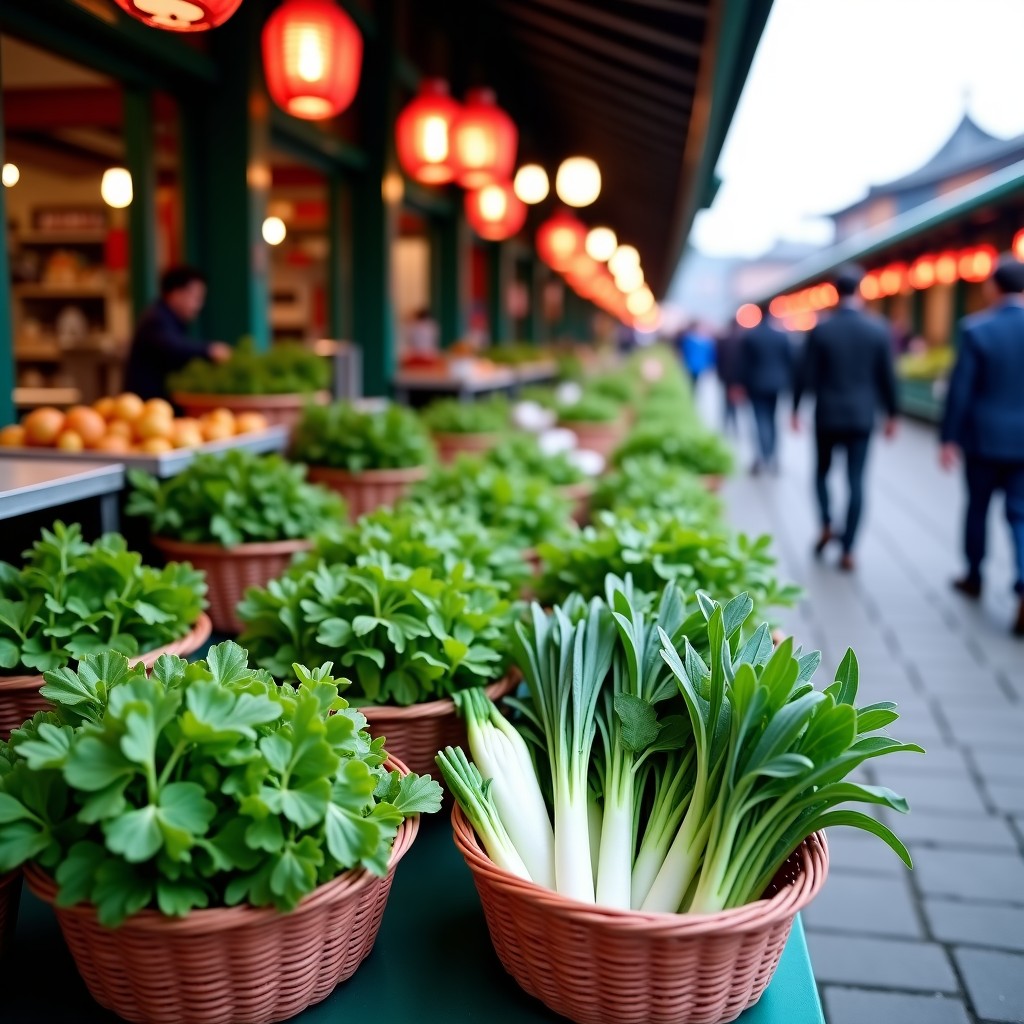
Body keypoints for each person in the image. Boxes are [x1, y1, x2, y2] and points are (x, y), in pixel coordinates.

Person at [791, 264, 898, 571]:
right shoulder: (877, 329)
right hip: (862, 416)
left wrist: (796, 409)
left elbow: (804, 373)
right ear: (861, 291)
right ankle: (849, 548)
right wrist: (892, 414)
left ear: (835, 293)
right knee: (856, 480)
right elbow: (887, 377)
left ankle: (826, 522)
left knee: (821, 473)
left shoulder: (822, 328)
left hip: (827, 413)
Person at [940, 253, 1024, 636]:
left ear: (994, 286)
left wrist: (948, 439)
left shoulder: (977, 329)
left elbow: (961, 391)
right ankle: (1023, 582)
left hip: (984, 438)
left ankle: (974, 575)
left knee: (978, 508)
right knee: (1020, 514)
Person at [123, 266, 230, 400]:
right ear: (176, 293)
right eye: (196, 298)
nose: (199, 305)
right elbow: (174, 347)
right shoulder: (157, 319)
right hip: (146, 404)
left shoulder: (167, 317)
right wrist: (209, 350)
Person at [739, 307, 793, 473]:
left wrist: (740, 384)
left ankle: (762, 457)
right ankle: (773, 457)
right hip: (776, 384)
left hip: (755, 384)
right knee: (772, 419)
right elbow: (790, 360)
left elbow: (743, 364)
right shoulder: (782, 336)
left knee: (760, 420)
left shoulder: (751, 336)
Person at [715, 324, 744, 435]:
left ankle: (726, 424)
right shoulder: (742, 340)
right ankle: (734, 425)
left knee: (726, 402)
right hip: (737, 376)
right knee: (734, 402)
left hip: (726, 376)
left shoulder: (723, 340)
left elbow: (718, 359)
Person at [678, 321, 716, 388]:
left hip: (691, 365)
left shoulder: (688, 340)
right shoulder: (704, 341)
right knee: (693, 383)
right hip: (696, 365)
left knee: (691, 383)